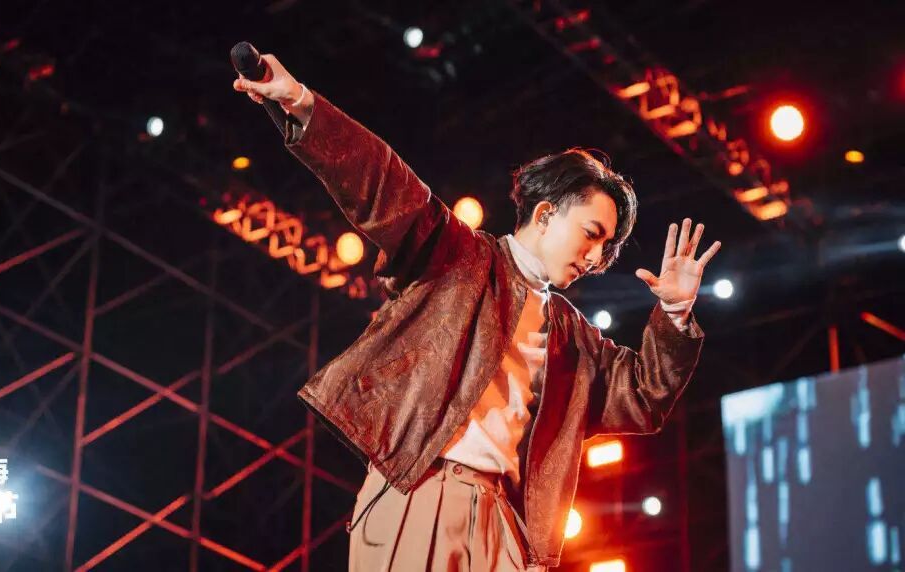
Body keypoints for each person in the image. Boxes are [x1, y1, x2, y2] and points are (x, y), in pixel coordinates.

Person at [233, 53, 720, 571]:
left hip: (505, 522)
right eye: (592, 234)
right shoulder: (460, 255)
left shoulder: (574, 338)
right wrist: (300, 102)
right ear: (545, 213)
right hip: (423, 487)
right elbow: (381, 181)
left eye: (607, 250)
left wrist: (674, 312)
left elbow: (643, 396)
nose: (596, 257)